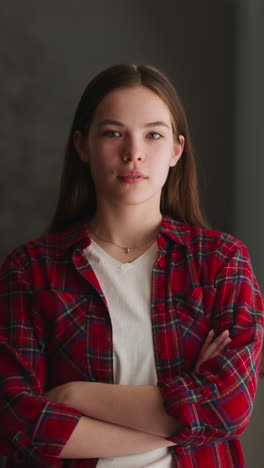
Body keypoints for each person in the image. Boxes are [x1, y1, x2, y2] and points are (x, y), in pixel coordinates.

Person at [0, 64, 263, 468]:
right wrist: (184, 420)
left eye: (153, 134)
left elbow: (229, 407)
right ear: (82, 146)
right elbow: (16, 420)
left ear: (177, 150)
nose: (133, 153)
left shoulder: (220, 262)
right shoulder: (31, 270)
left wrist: (73, 395)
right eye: (113, 133)